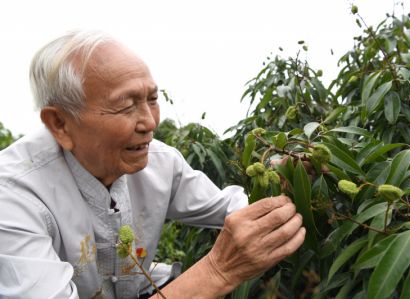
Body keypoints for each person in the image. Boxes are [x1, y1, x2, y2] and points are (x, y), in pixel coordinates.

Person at [0, 31, 306, 299]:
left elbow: (231, 208)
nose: (149, 122)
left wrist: (289, 175)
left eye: (152, 99)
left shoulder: (160, 162)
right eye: (125, 105)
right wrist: (217, 271)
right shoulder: (13, 196)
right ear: (60, 123)